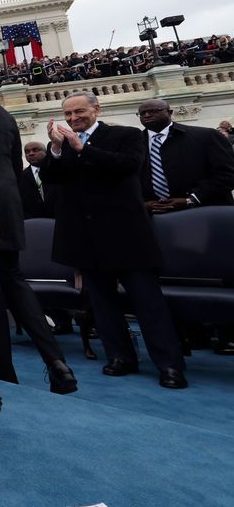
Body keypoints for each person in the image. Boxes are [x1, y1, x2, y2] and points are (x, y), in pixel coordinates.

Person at [40, 91, 187, 389]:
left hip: (126, 235)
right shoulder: (61, 145)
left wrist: (82, 149)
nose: (73, 119)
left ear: (96, 109)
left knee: (148, 303)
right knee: (103, 304)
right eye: (67, 114)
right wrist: (56, 149)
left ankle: (169, 364)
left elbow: (128, 165)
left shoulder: (126, 134)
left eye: (79, 112)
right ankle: (120, 356)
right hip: (85, 237)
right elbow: (52, 179)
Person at [0, 90, 77, 394]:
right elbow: (16, 168)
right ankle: (57, 362)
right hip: (6, 203)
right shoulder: (1, 113)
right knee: (14, 281)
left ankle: (2, 368)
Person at [137, 99, 234, 355]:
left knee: (216, 276)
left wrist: (190, 199)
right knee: (170, 276)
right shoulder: (134, 144)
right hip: (158, 222)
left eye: (154, 111)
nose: (147, 115)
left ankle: (226, 335)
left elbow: (227, 174)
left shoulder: (204, 136)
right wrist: (144, 204)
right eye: (142, 113)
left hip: (204, 216)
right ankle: (190, 335)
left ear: (169, 112)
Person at [18, 141, 57, 219]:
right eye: (27, 151)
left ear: (45, 152)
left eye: (35, 150)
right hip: (33, 223)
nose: (31, 153)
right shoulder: (20, 177)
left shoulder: (56, 172)